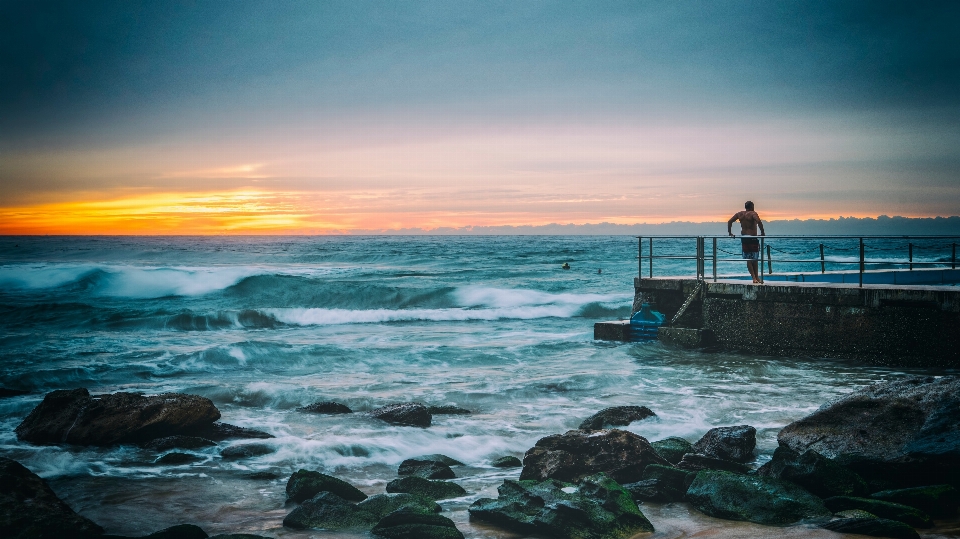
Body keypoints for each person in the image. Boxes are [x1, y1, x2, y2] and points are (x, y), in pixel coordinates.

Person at [727, 201, 766, 283]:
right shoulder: (753, 213)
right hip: (752, 238)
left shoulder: (740, 214)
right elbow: (759, 222)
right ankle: (756, 278)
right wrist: (762, 232)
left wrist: (730, 233)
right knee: (755, 258)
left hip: (744, 237)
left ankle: (754, 278)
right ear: (752, 206)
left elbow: (729, 221)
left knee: (749, 259)